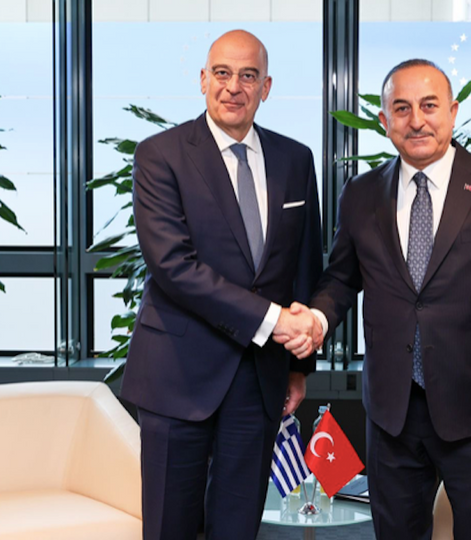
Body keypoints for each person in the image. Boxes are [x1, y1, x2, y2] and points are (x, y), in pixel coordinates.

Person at [282, 59, 471, 539]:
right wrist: (318, 320)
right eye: (402, 108)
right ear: (385, 121)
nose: (417, 120)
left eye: (429, 106)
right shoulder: (362, 193)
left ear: (452, 112)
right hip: (392, 412)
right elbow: (342, 279)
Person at [121, 29, 324, 540]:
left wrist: (298, 368)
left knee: (239, 526)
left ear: (266, 87)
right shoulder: (160, 155)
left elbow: (303, 264)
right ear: (204, 80)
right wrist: (278, 322)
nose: (234, 86)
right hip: (178, 375)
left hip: (259, 380)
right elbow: (174, 267)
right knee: (171, 526)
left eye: (248, 76)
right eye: (223, 73)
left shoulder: (295, 160)